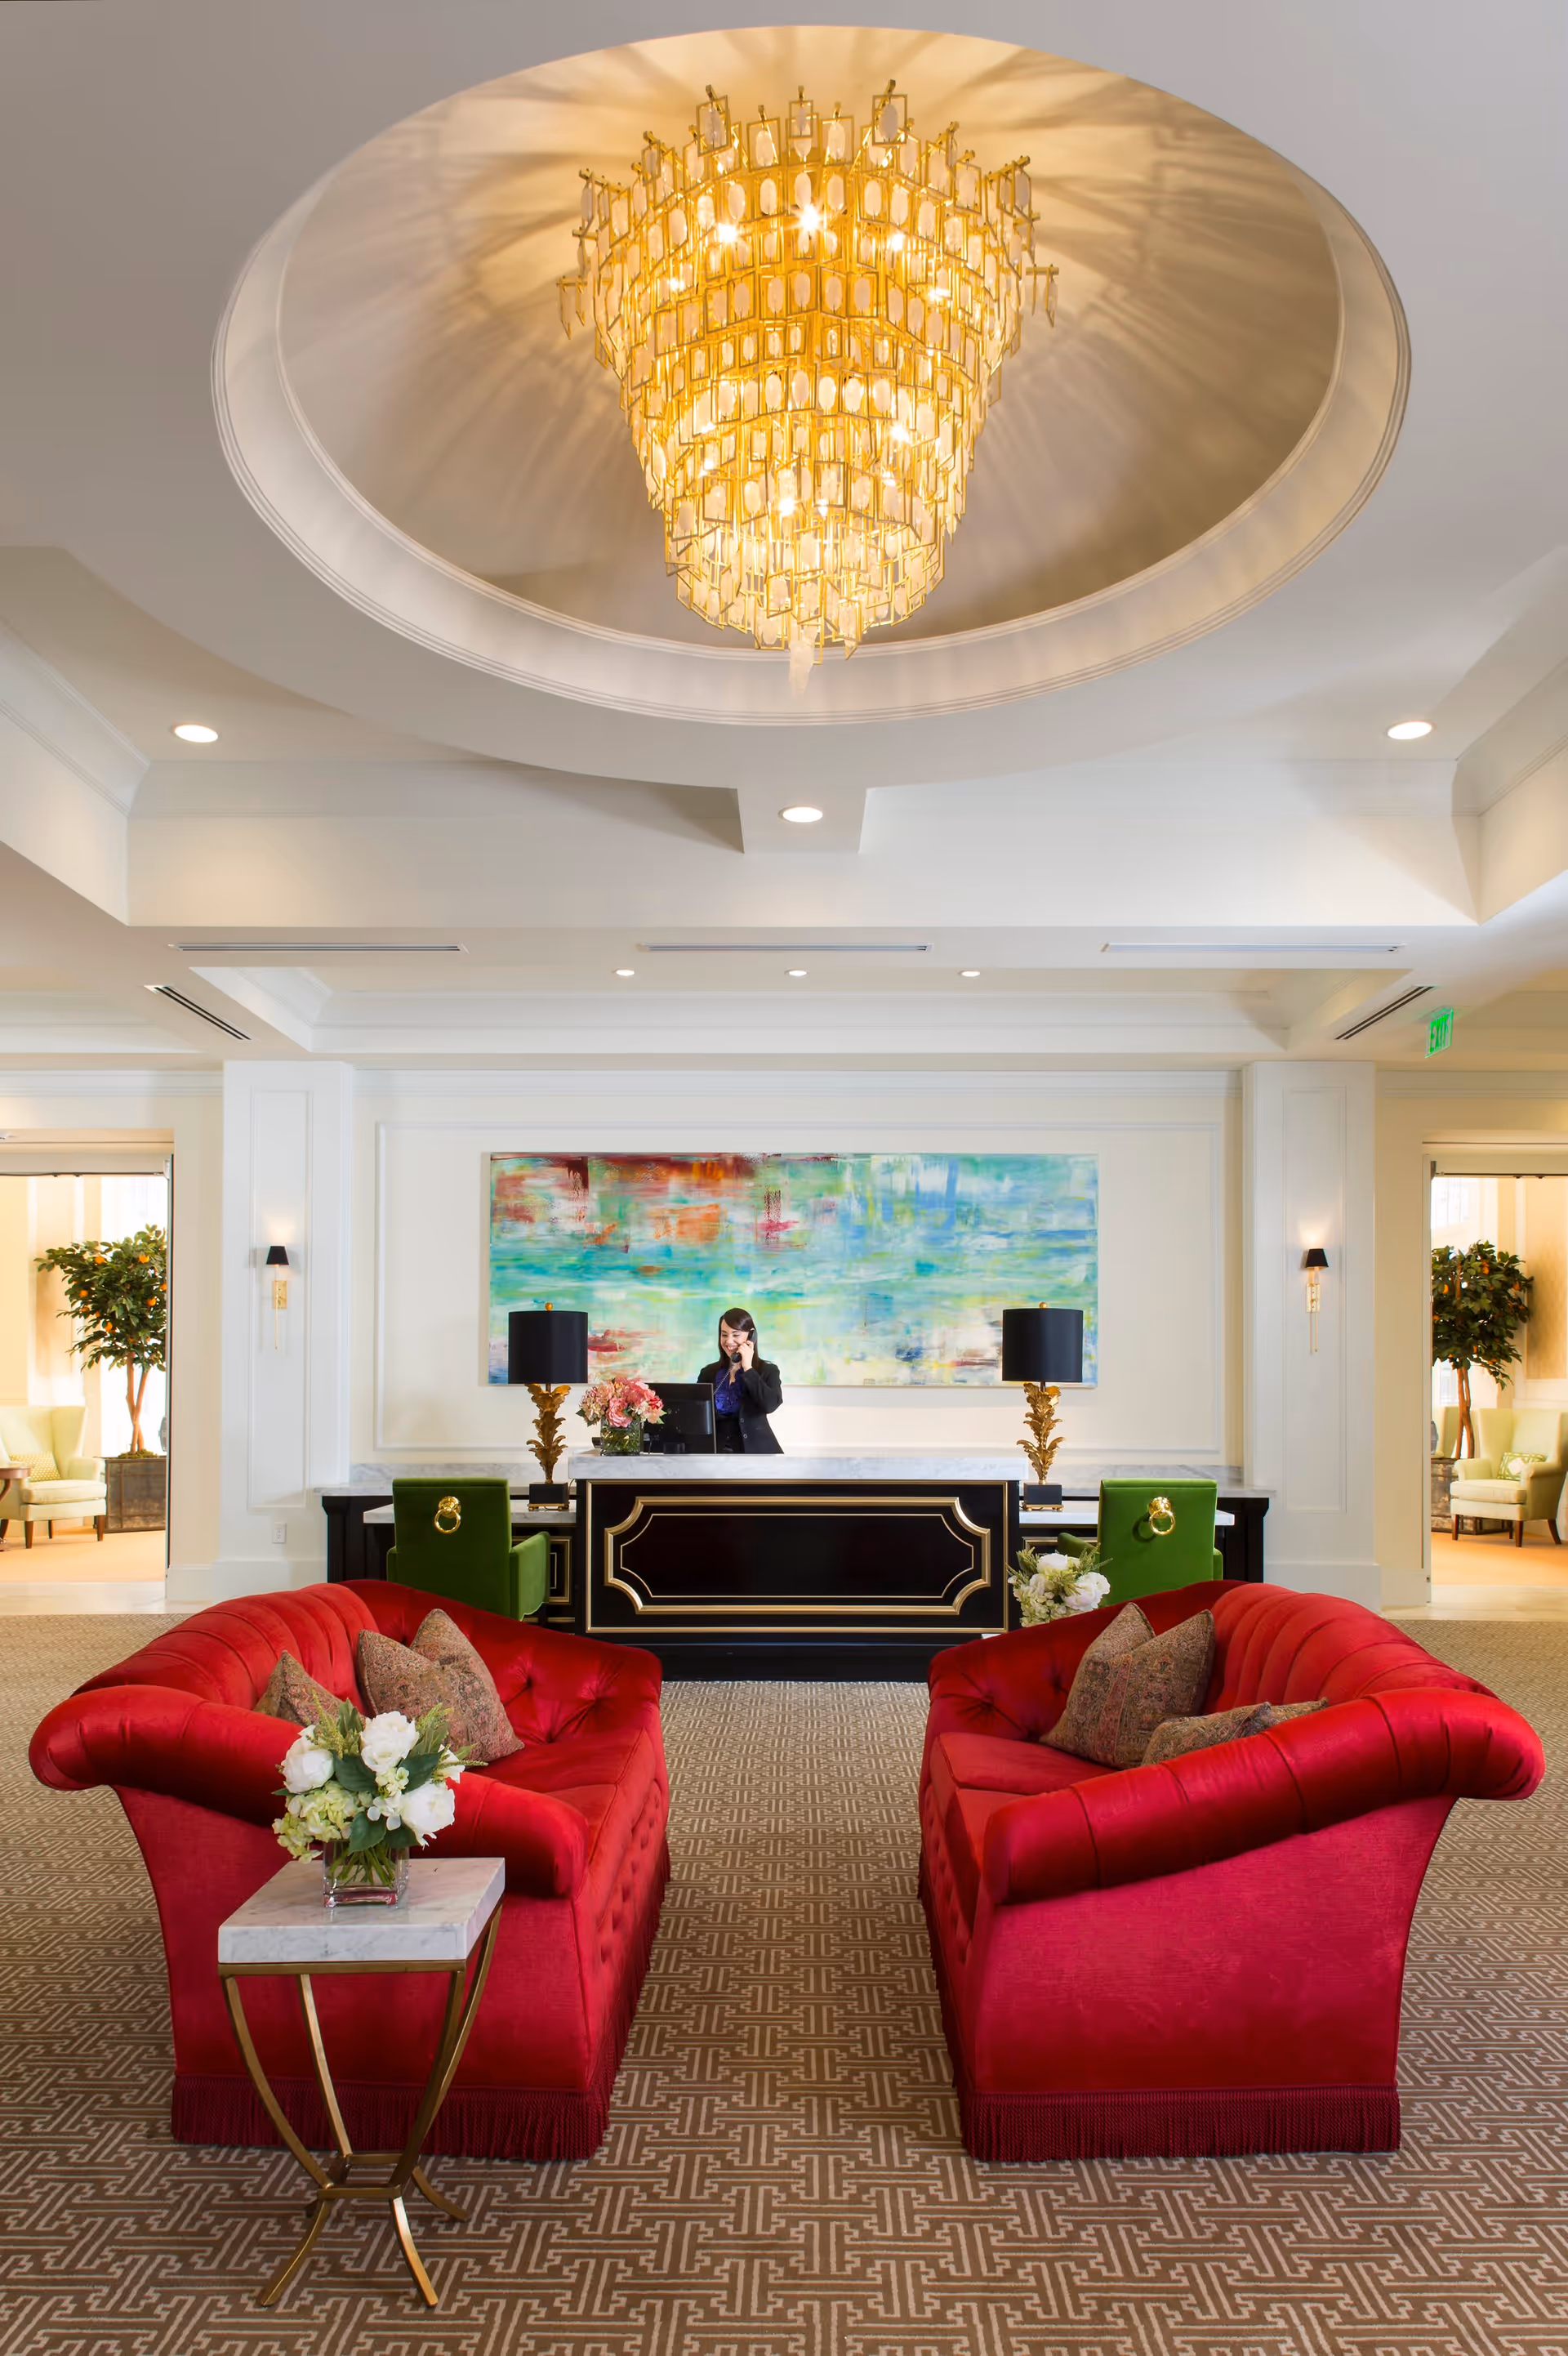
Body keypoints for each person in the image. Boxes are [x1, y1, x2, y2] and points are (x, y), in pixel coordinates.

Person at [697, 1307, 783, 1455]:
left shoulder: (767, 1371)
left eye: (735, 1335)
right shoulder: (708, 1373)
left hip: (755, 1454)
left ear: (751, 1336)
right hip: (714, 1455)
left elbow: (770, 1405)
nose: (729, 1341)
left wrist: (748, 1368)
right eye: (724, 1335)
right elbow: (696, 1413)